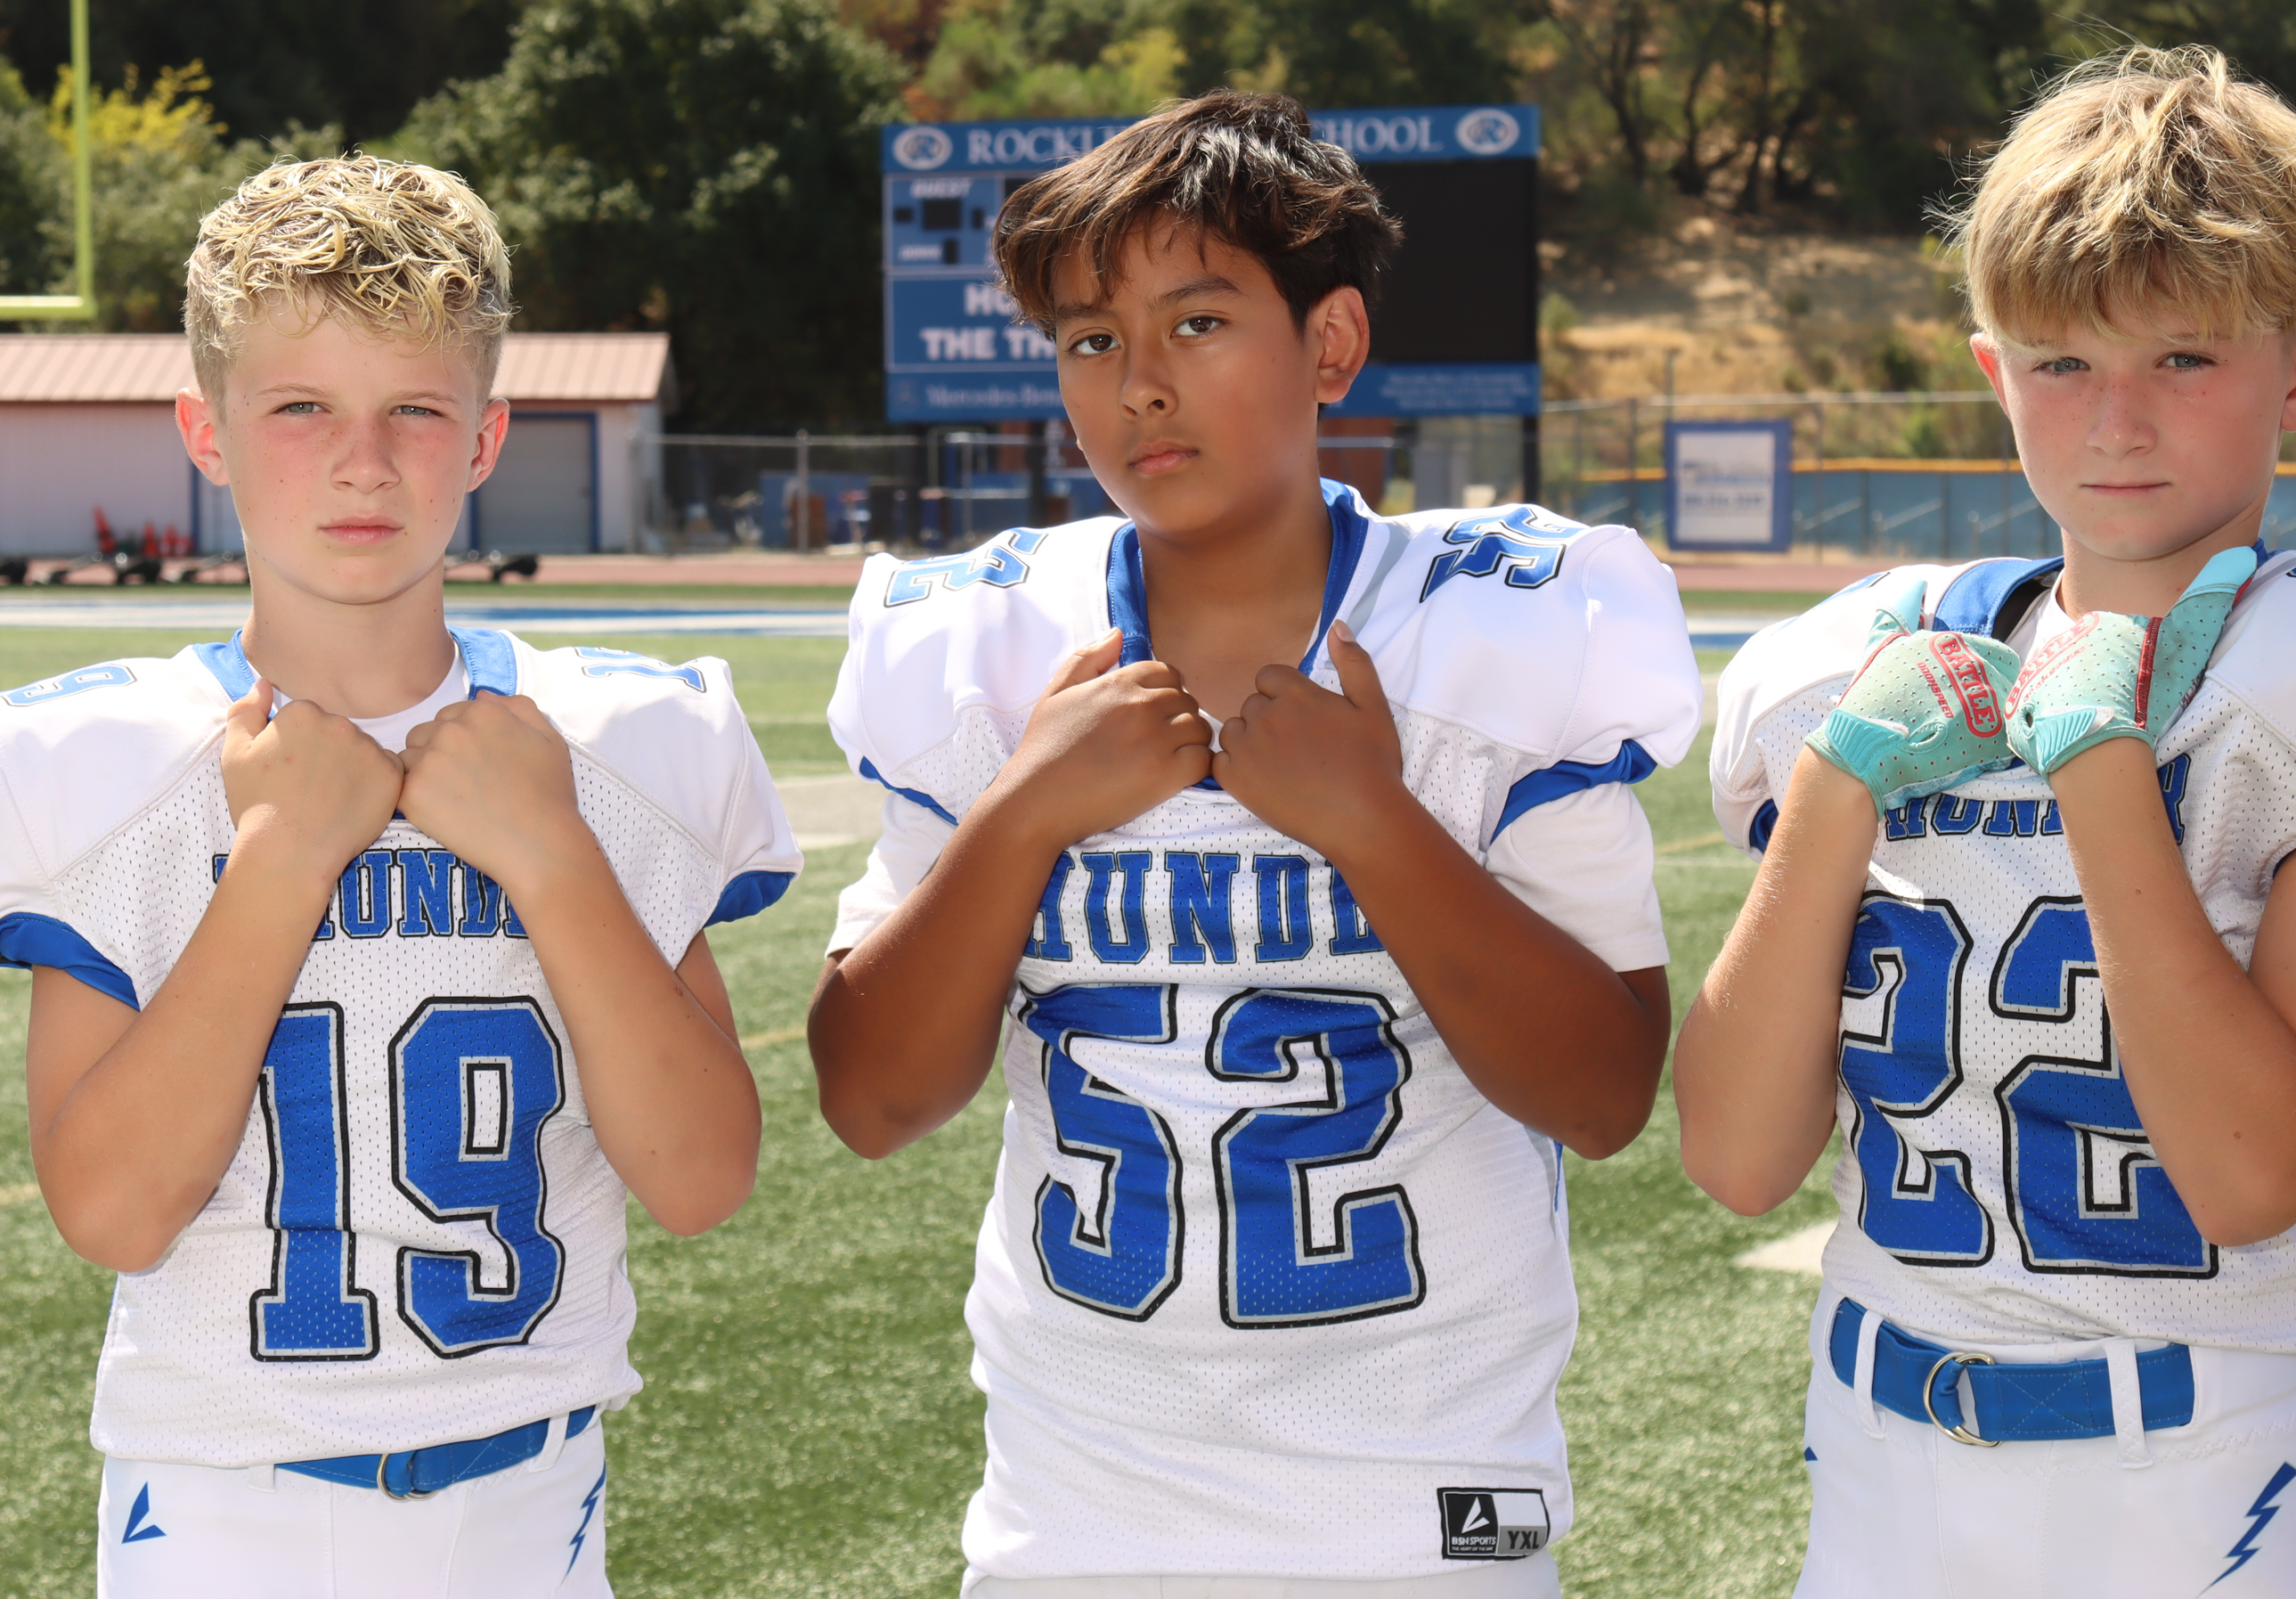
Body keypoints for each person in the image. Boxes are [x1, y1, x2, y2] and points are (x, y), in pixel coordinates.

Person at [809, 91, 1701, 1596]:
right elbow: (873, 1098)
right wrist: (1024, 813)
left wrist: (1373, 823)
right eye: (1093, 341)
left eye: (1200, 323)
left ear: (1330, 344)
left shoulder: (1498, 626)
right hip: (1077, 1515)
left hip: (1419, 1515)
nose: (1141, 386)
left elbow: (1603, 1096)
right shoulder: (986, 650)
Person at [1674, 46, 2296, 1598]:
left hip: (2192, 1463)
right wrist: (1837, 787)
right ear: (1996, 375)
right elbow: (1730, 1155)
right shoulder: (1870, 661)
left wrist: (2103, 771)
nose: (2116, 421)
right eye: (2061, 365)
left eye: (2182, 359)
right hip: (1873, 1431)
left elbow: (2250, 1175)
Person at [0, 158, 799, 1598]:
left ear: (485, 437)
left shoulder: (617, 740)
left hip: (537, 1497)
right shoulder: (111, 759)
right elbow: (112, 1214)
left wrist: (550, 852)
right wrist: (279, 860)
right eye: (300, 407)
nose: (362, 462)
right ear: (207, 432)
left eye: (414, 411)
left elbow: (699, 1177)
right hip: (220, 1506)